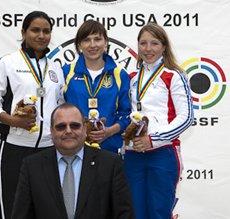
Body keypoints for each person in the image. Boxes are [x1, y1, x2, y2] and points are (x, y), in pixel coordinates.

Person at [0, 11, 64, 219]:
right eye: (35, 30)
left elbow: (60, 106)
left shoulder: (55, 68)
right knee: (14, 210)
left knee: (47, 211)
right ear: (24, 32)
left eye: (46, 31)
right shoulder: (8, 63)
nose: (41, 35)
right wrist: (12, 120)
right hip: (15, 148)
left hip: (49, 150)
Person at [11, 103, 135, 219]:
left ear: (85, 128)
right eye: (61, 126)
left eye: (75, 125)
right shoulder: (32, 166)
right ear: (52, 131)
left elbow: (124, 214)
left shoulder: (110, 164)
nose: (68, 131)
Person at [124, 22, 194, 219]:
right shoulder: (131, 77)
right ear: (137, 46)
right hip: (133, 154)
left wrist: (153, 139)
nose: (148, 49)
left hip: (162, 153)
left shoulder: (174, 75)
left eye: (154, 43)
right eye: (143, 43)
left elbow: (187, 117)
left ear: (164, 46)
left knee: (159, 213)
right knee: (135, 213)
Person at [62, 20, 131, 153]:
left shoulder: (119, 74)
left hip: (109, 148)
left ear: (105, 43)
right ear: (79, 45)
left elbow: (127, 114)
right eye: (87, 40)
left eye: (97, 39)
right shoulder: (67, 72)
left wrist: (109, 131)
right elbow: (56, 108)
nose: (92, 45)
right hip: (74, 148)